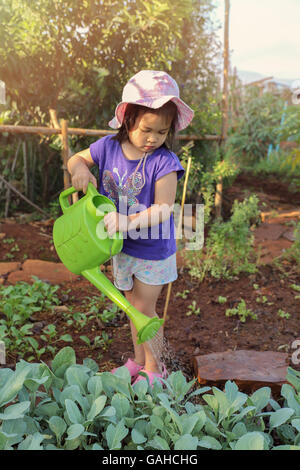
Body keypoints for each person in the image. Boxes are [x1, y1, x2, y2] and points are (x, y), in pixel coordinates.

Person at [67, 70, 194, 386]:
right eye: (147, 130)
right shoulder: (108, 148)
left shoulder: (164, 163)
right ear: (128, 120)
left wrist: (128, 221)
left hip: (152, 250)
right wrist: (79, 170)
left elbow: (163, 208)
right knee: (130, 307)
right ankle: (138, 362)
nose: (153, 138)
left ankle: (155, 370)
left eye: (162, 132)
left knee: (144, 309)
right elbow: (76, 159)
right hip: (119, 247)